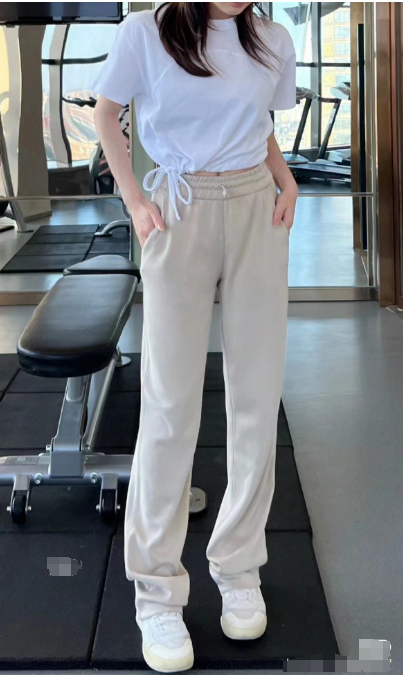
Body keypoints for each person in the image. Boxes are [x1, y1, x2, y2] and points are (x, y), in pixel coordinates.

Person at [93, 2, 297, 672]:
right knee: (170, 406)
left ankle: (239, 568)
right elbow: (106, 114)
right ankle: (156, 590)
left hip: (256, 208)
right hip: (178, 210)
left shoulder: (272, 38)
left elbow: (259, 125)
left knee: (256, 400)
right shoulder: (144, 32)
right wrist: (135, 200)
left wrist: (285, 177)